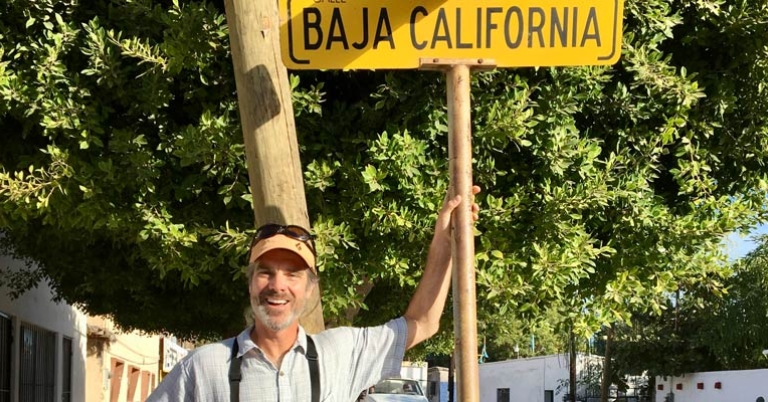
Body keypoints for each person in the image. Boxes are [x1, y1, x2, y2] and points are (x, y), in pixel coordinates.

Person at [147, 186, 481, 402]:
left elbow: (422, 321)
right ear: (250, 283)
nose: (278, 285)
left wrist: (445, 243)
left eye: (292, 274)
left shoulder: (340, 354)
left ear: (309, 289)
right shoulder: (204, 367)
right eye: (266, 272)